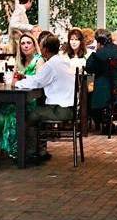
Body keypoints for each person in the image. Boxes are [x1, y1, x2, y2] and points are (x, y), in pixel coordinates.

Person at [15, 35, 76, 164]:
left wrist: (17, 83)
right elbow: (39, 79)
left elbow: (37, 82)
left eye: (41, 47)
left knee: (30, 115)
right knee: (36, 113)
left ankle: (31, 154)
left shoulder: (51, 65)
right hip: (69, 107)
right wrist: (25, 77)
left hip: (60, 110)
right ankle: (40, 151)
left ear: (46, 49)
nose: (40, 49)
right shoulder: (61, 61)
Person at [0, 32, 43, 159]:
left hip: (31, 100)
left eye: (28, 43)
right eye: (23, 43)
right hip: (16, 99)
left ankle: (16, 151)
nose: (25, 46)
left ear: (34, 45)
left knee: (12, 117)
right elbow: (14, 82)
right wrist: (16, 79)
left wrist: (23, 77)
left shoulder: (39, 60)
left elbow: (39, 81)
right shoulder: (19, 61)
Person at [85, 28, 117, 132]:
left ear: (98, 42)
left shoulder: (101, 53)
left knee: (92, 84)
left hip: (109, 93)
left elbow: (89, 68)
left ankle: (105, 122)